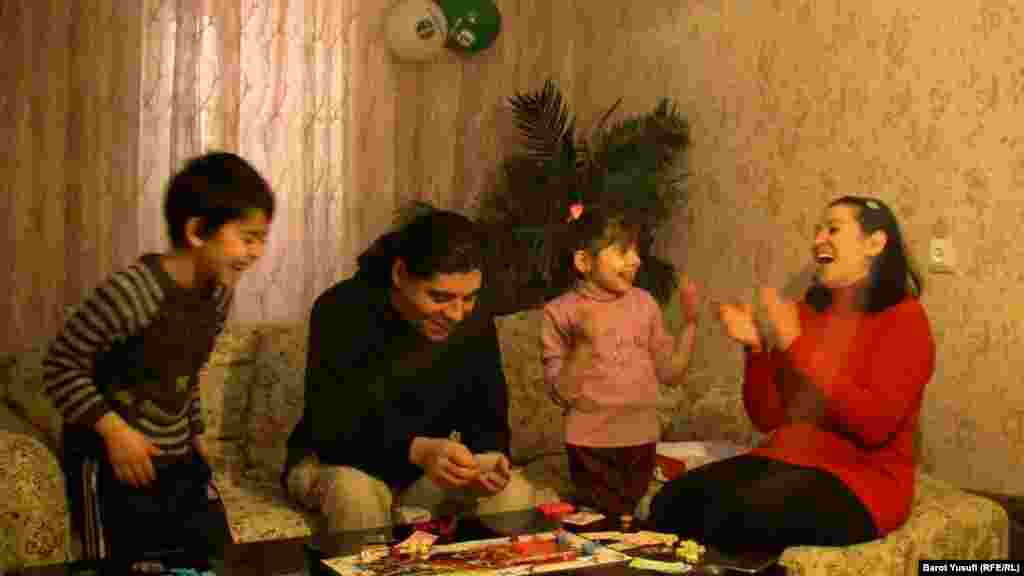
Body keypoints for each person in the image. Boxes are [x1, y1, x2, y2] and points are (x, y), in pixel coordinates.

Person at [649, 196, 936, 552]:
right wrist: (755, 350)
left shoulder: (904, 318)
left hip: (860, 480)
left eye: (833, 229)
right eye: (817, 230)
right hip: (782, 460)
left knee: (745, 517)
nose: (818, 240)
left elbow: (874, 423)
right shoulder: (804, 312)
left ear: (874, 244)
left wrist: (798, 347)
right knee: (670, 503)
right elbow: (767, 416)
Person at [42, 152, 274, 562]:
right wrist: (116, 434)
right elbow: (61, 366)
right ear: (198, 231)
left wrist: (195, 431)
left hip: (176, 452)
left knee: (215, 558)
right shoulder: (133, 291)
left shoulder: (219, 294)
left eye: (262, 239)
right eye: (248, 237)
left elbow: (186, 371)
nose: (257, 252)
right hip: (110, 456)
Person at [283, 208, 538, 533]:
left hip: (420, 475)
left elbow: (489, 414)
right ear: (400, 274)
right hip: (337, 461)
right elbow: (330, 427)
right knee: (357, 494)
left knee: (513, 493)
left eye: (470, 297)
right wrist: (416, 449)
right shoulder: (340, 309)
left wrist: (488, 460)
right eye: (439, 297)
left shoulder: (474, 318)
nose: (457, 314)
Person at [541, 205, 699, 518]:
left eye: (636, 251)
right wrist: (584, 344)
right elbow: (561, 393)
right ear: (584, 261)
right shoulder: (560, 312)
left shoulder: (645, 304)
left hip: (641, 439)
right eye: (623, 251)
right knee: (604, 521)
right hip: (590, 446)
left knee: (637, 525)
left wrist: (691, 324)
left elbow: (670, 374)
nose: (636, 260)